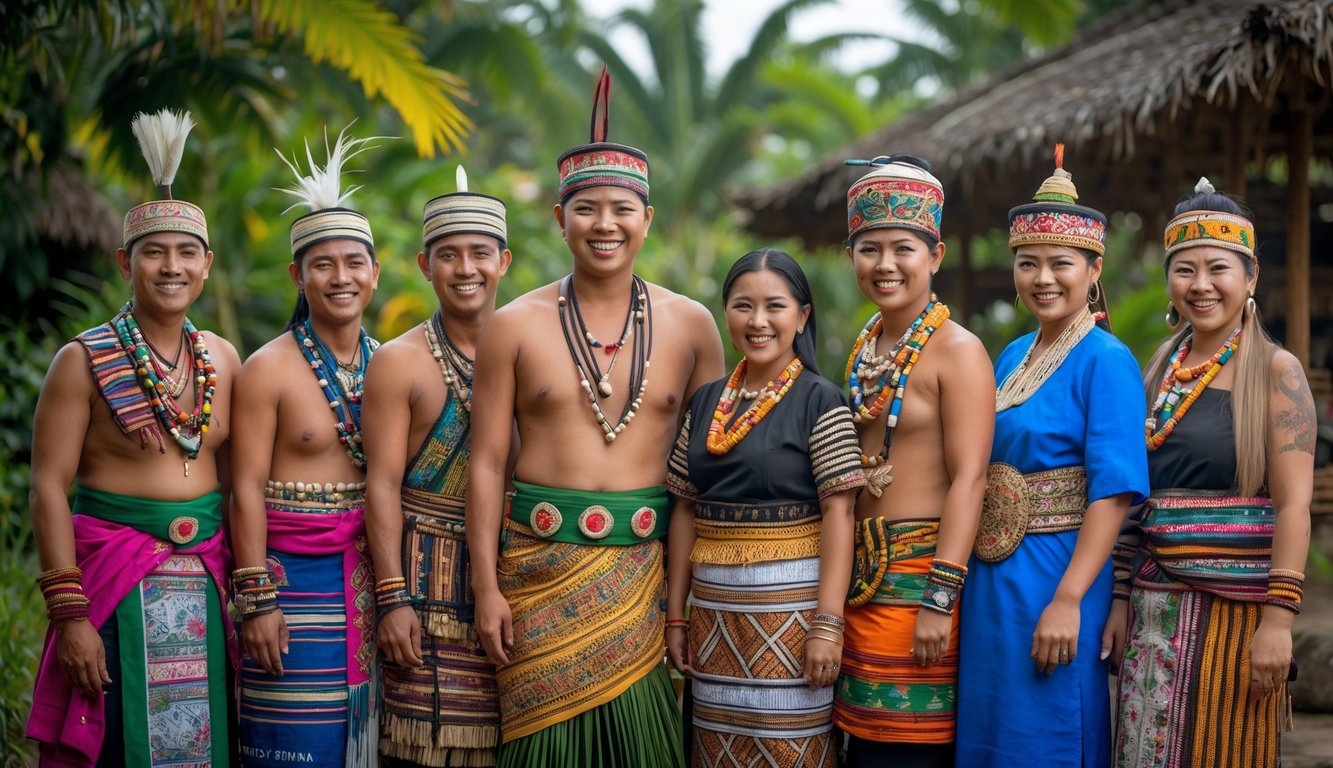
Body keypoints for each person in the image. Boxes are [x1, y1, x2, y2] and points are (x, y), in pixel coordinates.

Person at [465, 69, 724, 768]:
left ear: (647, 218)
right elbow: (486, 462)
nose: (603, 224)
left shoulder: (692, 326)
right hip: (534, 574)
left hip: (641, 576)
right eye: (585, 208)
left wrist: (684, 603)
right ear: (558, 219)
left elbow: (708, 472)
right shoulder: (512, 325)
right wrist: (485, 587)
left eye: (620, 208)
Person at [27, 109, 241, 767]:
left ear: (205, 266)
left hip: (205, 580)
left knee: (203, 744)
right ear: (127, 262)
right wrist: (71, 617)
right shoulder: (82, 361)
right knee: (116, 740)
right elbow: (47, 486)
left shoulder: (224, 359)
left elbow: (238, 484)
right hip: (111, 581)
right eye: (154, 252)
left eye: (185, 253)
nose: (169, 266)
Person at [954, 145, 1149, 768]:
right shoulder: (1009, 355)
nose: (1043, 278)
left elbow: (1113, 491)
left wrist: (1069, 598)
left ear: (1093, 269)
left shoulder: (1107, 360)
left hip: (1059, 571)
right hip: (992, 581)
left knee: (1049, 728)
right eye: (1027, 263)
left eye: (1060, 263)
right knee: (992, 726)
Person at [1109, 178, 1313, 768]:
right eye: (1184, 269)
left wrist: (1278, 620)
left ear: (1250, 278)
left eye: (1218, 268)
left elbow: (1295, 506)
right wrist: (1121, 599)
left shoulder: (1276, 371)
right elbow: (1134, 500)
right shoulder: (1157, 372)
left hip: (1238, 618)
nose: (1201, 285)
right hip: (1154, 613)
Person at [664, 248, 863, 767]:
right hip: (712, 628)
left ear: (802, 316)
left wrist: (828, 623)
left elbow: (841, 514)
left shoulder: (823, 401)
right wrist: (675, 617)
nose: (757, 321)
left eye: (774, 306)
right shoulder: (706, 402)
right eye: (741, 305)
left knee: (791, 749)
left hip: (794, 624)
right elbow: (684, 509)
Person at [830, 156, 993, 768]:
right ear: (852, 257)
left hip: (923, 580)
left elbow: (971, 478)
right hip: (860, 583)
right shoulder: (865, 346)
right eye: (869, 248)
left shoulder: (958, 351)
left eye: (903, 248)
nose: (885, 264)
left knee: (911, 747)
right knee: (863, 742)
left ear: (937, 255)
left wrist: (939, 598)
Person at [230, 126, 382, 767]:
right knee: (288, 745)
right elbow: (241, 487)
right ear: (298, 274)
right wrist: (258, 602)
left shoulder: (391, 365)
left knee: (362, 742)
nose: (340, 278)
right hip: (287, 589)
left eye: (353, 263)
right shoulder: (267, 368)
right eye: (323, 264)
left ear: (376, 271)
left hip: (365, 589)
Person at [365, 166, 511, 767]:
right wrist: (394, 599)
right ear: (426, 266)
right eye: (448, 255)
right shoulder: (400, 362)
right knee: (422, 747)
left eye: (480, 253)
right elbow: (380, 485)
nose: (466, 268)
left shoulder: (532, 348)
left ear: (504, 260)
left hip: (512, 583)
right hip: (424, 588)